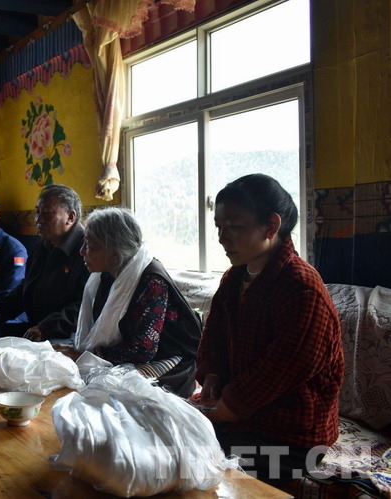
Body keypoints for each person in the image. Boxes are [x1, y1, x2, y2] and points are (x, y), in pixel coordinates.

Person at [193, 173, 344, 486]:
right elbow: (213, 336)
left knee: (196, 464)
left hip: (292, 437)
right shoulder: (234, 278)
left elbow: (284, 366)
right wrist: (212, 375)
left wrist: (230, 405)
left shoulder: (301, 287)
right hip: (244, 417)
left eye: (234, 227)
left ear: (272, 226)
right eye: (219, 227)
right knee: (167, 438)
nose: (222, 238)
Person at [52, 207, 202, 397]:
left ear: (114, 253)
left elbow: (142, 350)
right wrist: (79, 353)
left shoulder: (152, 281)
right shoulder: (106, 276)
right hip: (129, 357)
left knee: (110, 391)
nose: (82, 252)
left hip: (169, 359)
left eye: (90, 246)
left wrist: (85, 355)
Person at [0, 184, 90, 340]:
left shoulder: (87, 249)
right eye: (37, 212)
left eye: (47, 213)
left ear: (70, 217)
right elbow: (25, 289)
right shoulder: (43, 246)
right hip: (37, 329)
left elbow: (85, 305)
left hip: (69, 335)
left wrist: (47, 328)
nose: (38, 219)